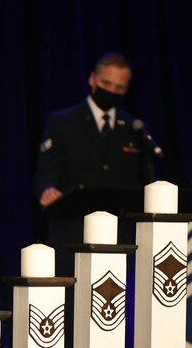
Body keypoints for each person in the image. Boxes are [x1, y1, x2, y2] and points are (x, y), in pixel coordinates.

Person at [33, 51, 156, 269]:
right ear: (92, 79)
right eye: (106, 84)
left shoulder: (133, 128)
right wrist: (47, 189)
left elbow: (144, 181)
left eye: (119, 87)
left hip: (117, 234)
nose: (111, 91)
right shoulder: (63, 122)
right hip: (72, 232)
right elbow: (46, 172)